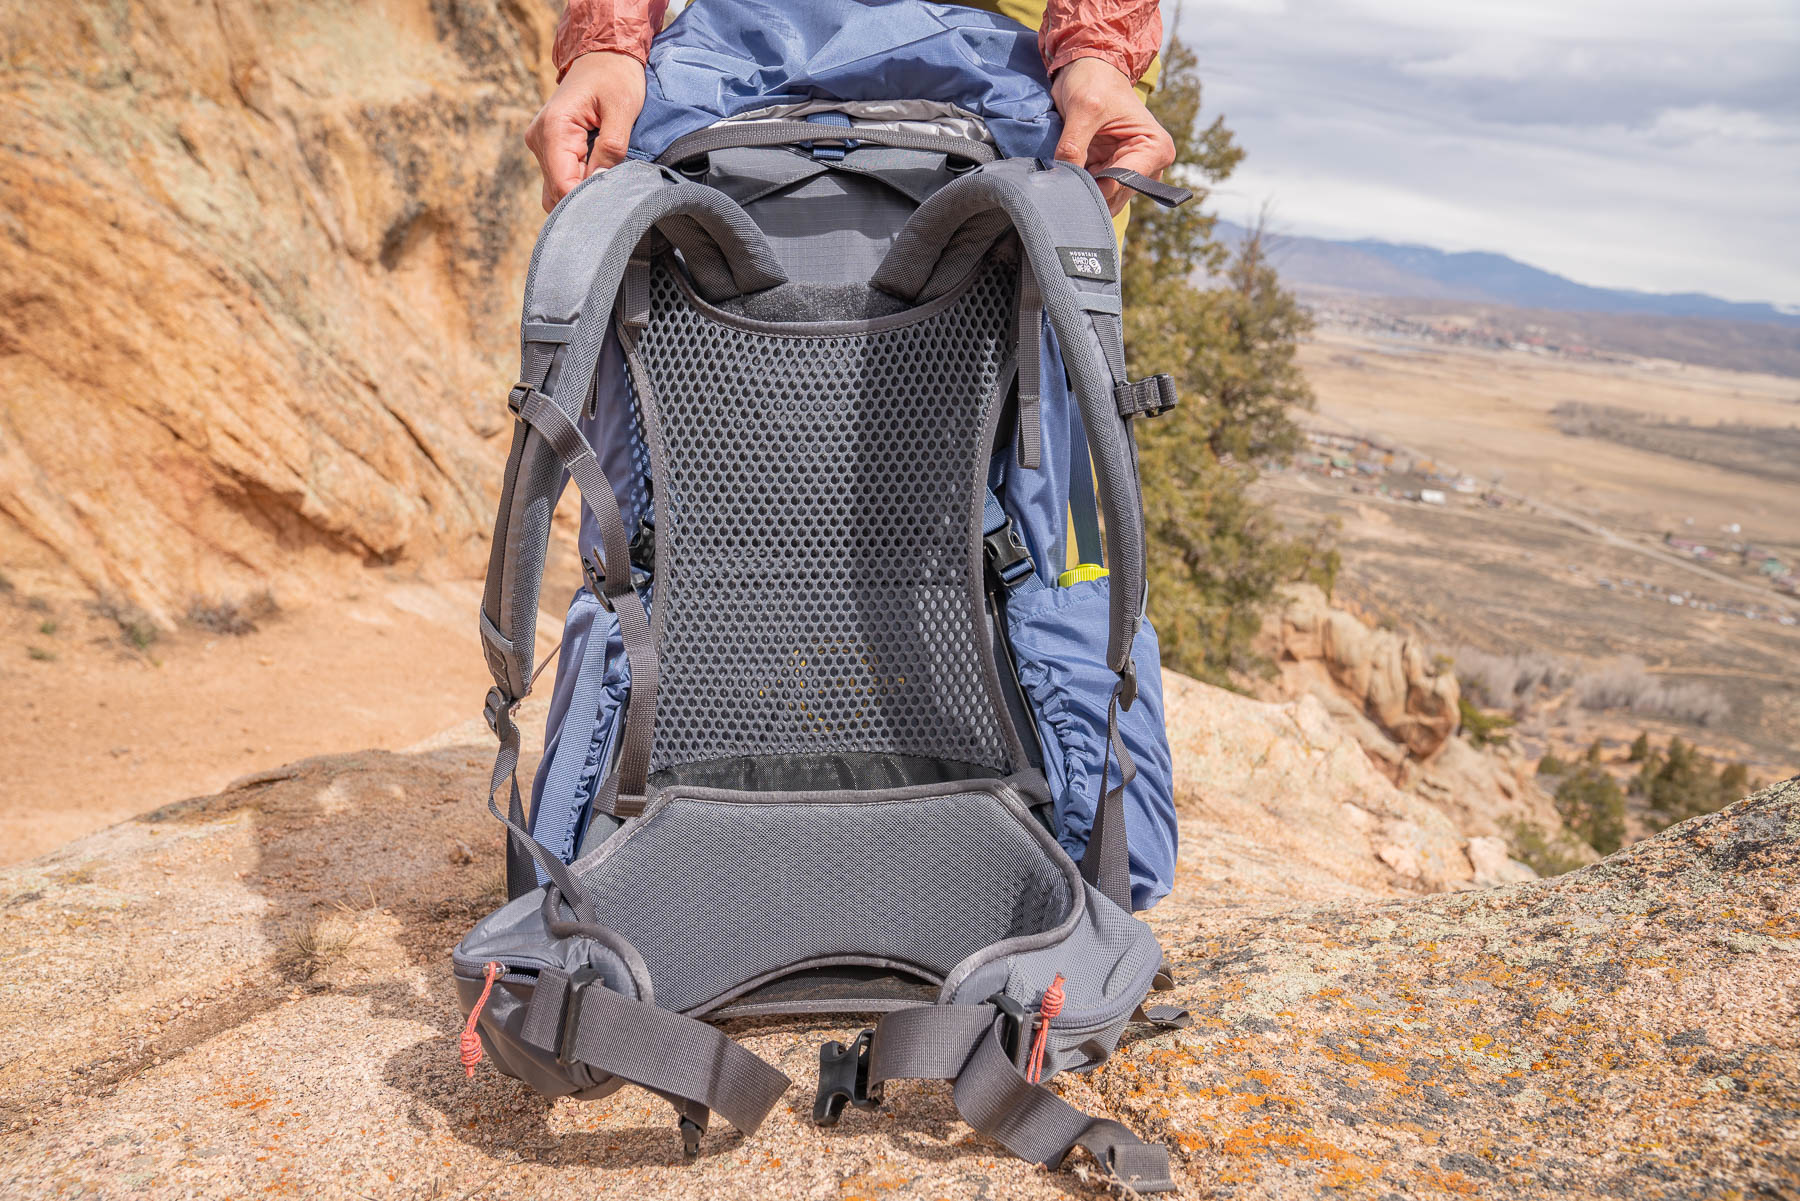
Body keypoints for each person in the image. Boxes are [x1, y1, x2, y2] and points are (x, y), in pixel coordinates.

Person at [526, 0, 1175, 232]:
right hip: (750, 37)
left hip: (1039, 40)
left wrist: (1098, 50)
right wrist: (607, 42)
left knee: (1045, 346)